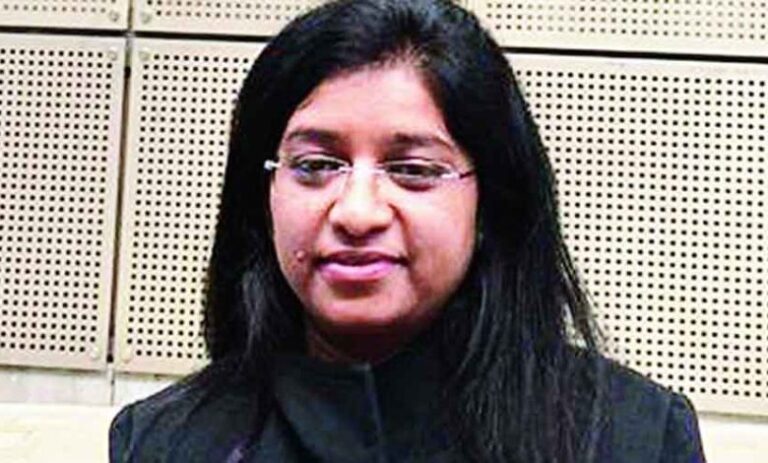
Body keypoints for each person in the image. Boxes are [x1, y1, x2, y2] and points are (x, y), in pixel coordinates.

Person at [109, 0, 706, 461]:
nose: (357, 213)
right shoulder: (166, 441)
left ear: (490, 204)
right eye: (315, 165)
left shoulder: (629, 437)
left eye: (413, 170)